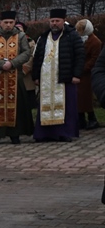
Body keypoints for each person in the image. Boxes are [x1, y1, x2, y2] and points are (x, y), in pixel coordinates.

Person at [32, 9, 85, 142]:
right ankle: (44, 134)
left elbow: (80, 56)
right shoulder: (44, 37)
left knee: (66, 107)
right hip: (46, 80)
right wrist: (35, 76)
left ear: (63, 21)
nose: (54, 23)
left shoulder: (72, 35)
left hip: (65, 78)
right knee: (45, 105)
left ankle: (64, 133)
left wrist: (77, 75)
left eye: (57, 21)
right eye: (52, 21)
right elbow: (37, 57)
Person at [0, 11, 34, 145]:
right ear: (0, 23)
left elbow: (26, 52)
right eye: (5, 22)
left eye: (11, 22)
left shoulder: (21, 36)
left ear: (14, 22)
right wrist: (1, 64)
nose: (8, 25)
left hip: (15, 76)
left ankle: (15, 134)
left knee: (17, 106)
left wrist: (12, 63)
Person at [75, 19, 102, 130]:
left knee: (86, 98)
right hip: (80, 72)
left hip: (87, 74)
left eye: (80, 30)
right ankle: (81, 119)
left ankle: (92, 119)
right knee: (79, 98)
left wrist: (82, 68)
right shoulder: (81, 39)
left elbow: (95, 59)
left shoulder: (95, 42)